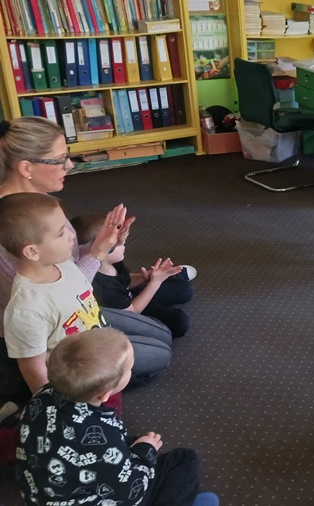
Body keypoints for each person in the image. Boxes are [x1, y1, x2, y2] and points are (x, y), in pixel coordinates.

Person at [0, 117, 171, 400]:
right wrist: (99, 252)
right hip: (57, 331)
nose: (69, 165)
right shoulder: (12, 227)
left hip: (77, 307)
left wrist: (105, 244)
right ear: (26, 167)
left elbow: (66, 270)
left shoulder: (42, 202)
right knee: (159, 355)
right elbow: (55, 295)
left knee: (163, 334)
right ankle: (86, 387)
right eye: (59, 160)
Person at [15, 328, 218, 506]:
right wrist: (145, 451)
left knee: (134, 444)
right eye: (129, 369)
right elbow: (130, 493)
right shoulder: (103, 439)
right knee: (185, 460)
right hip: (100, 495)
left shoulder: (42, 395)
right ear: (105, 394)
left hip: (48, 489)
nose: (132, 369)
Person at [72, 213, 195, 338]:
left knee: (185, 290)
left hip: (129, 294)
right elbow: (132, 312)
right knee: (179, 322)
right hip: (130, 310)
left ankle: (168, 275)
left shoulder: (112, 262)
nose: (123, 245)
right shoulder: (101, 288)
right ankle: (165, 279)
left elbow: (124, 280)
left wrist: (145, 277)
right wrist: (155, 283)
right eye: (118, 244)